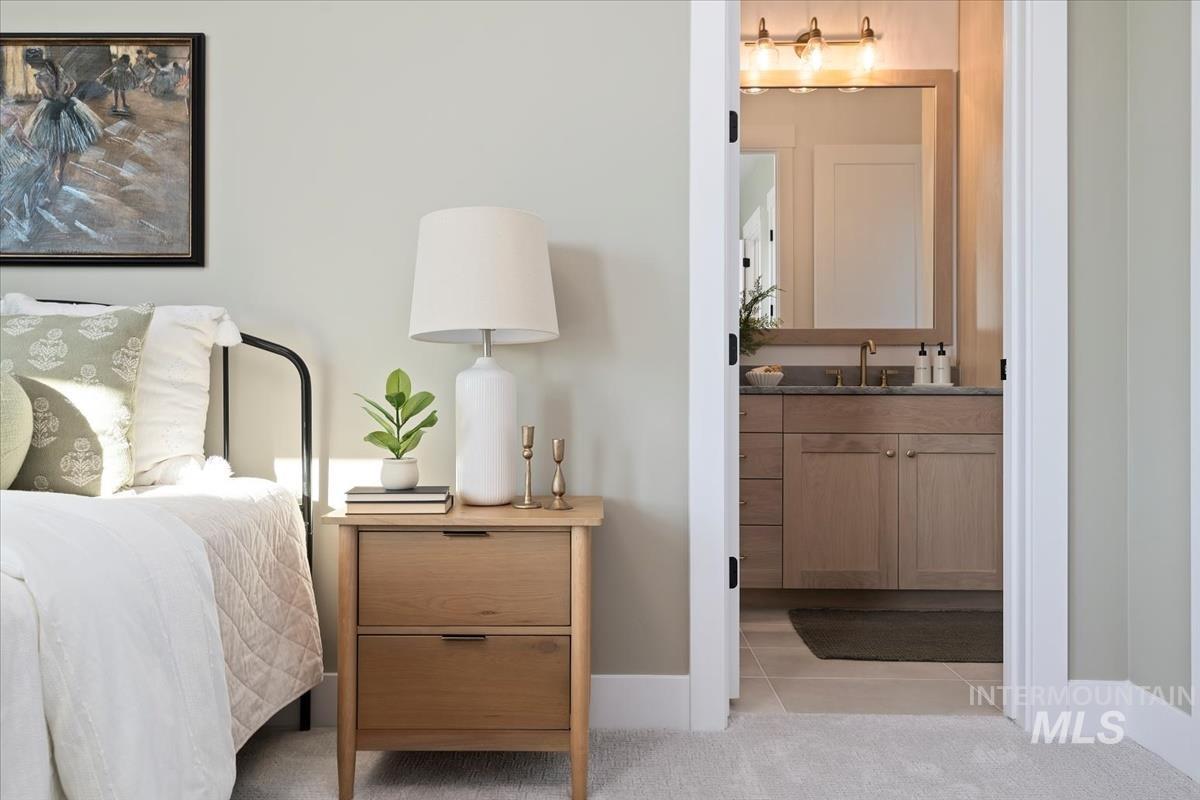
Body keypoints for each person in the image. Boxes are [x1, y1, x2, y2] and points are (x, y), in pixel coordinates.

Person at [21, 47, 103, 184]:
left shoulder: (41, 76)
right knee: (63, 144)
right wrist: (66, 95)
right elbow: (72, 84)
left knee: (53, 145)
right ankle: (61, 173)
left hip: (52, 109)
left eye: (30, 63)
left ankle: (51, 173)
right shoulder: (55, 67)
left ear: (32, 63)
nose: (30, 66)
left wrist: (55, 96)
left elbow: (52, 95)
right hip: (67, 105)